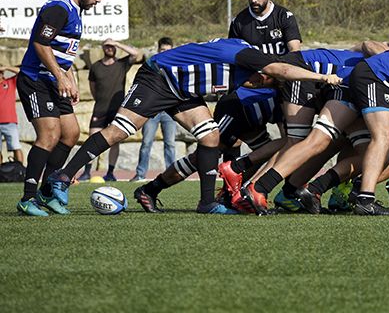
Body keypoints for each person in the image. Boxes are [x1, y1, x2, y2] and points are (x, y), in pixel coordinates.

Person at [47, 38, 340, 215]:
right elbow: (283, 69)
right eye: (260, 78)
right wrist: (321, 78)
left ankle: (206, 203)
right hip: (159, 77)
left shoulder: (245, 58)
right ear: (262, 71)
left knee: (211, 137)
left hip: (183, 91)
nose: (249, 84)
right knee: (120, 130)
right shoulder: (251, 58)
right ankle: (62, 177)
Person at [16, 0, 110, 216]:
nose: (98, 0)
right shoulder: (58, 8)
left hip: (54, 80)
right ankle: (28, 198)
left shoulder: (76, 11)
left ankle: (48, 193)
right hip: (36, 79)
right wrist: (60, 76)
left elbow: (62, 53)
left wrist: (70, 80)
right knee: (49, 135)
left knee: (70, 133)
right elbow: (40, 44)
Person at [79, 38, 143, 181]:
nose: (110, 48)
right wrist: (100, 100)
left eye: (112, 46)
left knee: (115, 141)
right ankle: (86, 171)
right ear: (102, 48)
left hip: (117, 110)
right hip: (100, 109)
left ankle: (110, 172)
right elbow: (93, 88)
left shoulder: (122, 64)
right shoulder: (95, 67)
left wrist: (117, 43)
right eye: (107, 46)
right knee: (92, 140)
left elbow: (136, 54)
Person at [131, 37, 176, 180]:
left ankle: (172, 175)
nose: (165, 53)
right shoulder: (152, 65)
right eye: (162, 50)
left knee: (170, 144)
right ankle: (140, 174)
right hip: (152, 111)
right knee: (146, 143)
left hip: (169, 111)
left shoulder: (176, 66)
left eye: (168, 51)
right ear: (158, 50)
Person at [0, 66, 23, 164]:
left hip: (10, 121)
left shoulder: (9, 82)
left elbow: (22, 72)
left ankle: (20, 170)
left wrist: (6, 67)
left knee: (15, 146)